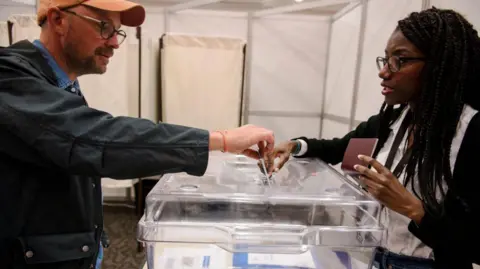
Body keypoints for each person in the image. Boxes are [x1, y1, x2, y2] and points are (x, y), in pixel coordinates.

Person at [0, 0, 275, 268]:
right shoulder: (10, 77)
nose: (115, 43)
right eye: (104, 27)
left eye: (117, 32)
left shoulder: (59, 84)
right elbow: (93, 139)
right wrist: (220, 140)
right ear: (59, 20)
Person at [266, 7, 480, 269]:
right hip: (378, 258)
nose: (384, 72)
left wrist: (414, 209)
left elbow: (474, 246)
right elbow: (339, 149)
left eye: (399, 60)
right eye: (386, 59)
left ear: (439, 66)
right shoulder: (393, 121)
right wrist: (295, 146)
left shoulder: (472, 132)